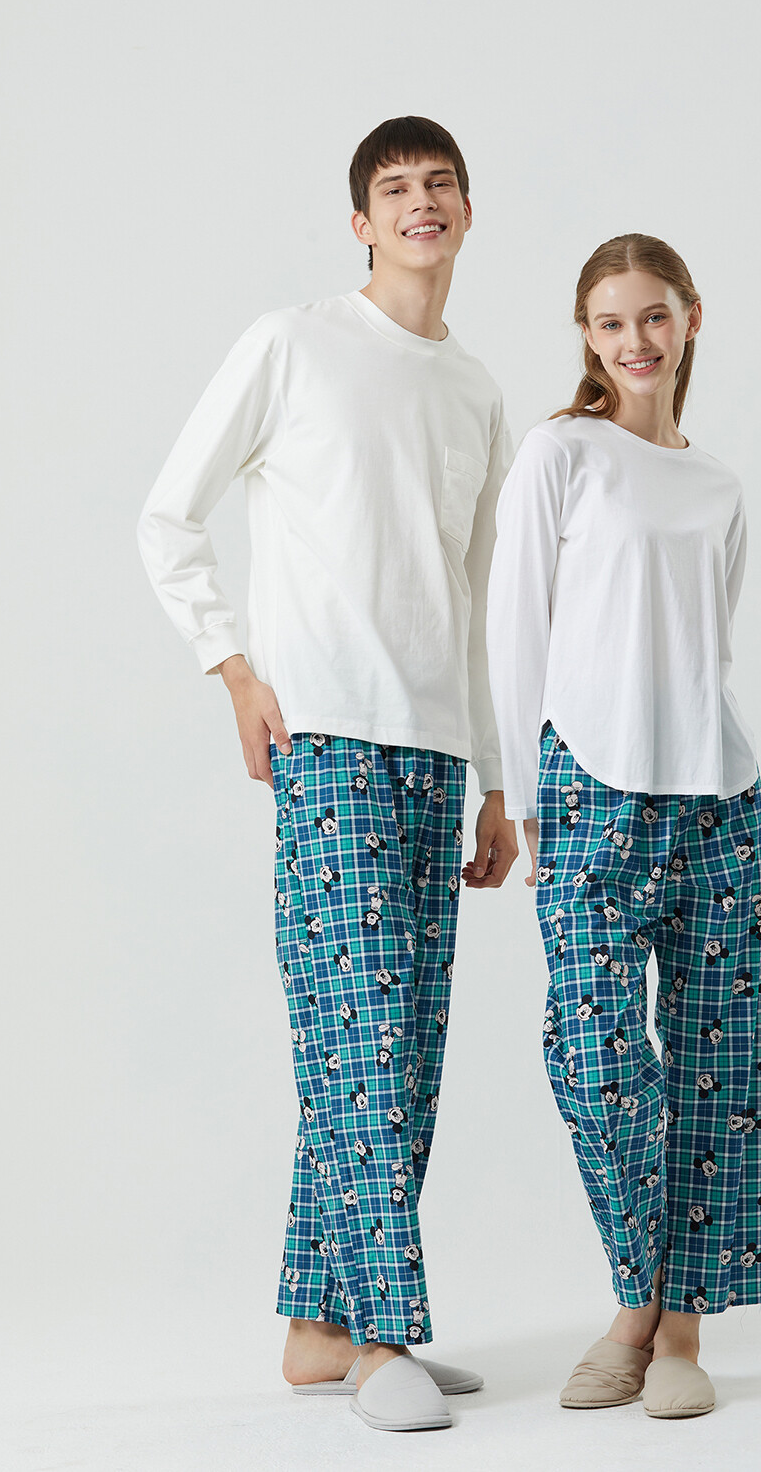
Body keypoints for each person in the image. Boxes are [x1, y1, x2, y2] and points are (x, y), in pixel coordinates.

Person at [137, 116, 518, 1434]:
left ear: (466, 210)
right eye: (394, 189)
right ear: (361, 222)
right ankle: (383, 1340)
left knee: (404, 1048)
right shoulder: (291, 344)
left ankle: (318, 1330)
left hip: (434, 751)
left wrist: (492, 777)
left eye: (440, 184)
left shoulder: (475, 392)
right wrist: (232, 669)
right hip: (329, 740)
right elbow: (167, 514)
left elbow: (474, 600)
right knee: (357, 1033)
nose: (421, 203)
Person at [486, 234, 761, 1419]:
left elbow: (709, 646)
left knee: (714, 1064)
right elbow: (516, 631)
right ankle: (635, 1297)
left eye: (652, 316)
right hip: (587, 788)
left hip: (716, 797)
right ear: (586, 336)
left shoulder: (719, 487)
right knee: (595, 1054)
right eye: (609, 323)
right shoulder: (560, 454)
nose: (633, 341)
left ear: (690, 318)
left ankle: (677, 1332)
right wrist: (521, 795)